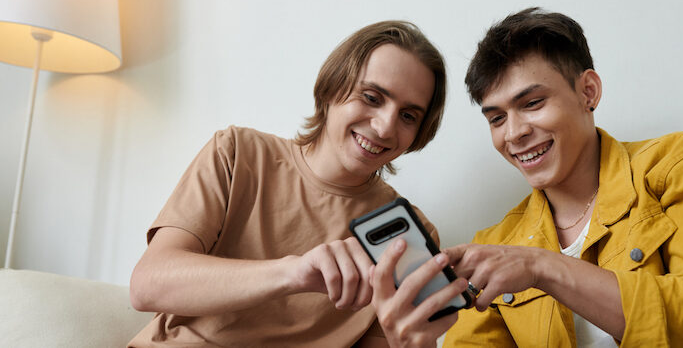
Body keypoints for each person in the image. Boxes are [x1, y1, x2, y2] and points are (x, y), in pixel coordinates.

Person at [442, 7, 683, 347]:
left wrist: (543, 267)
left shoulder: (682, 165)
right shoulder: (498, 244)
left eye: (532, 103)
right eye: (496, 119)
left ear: (588, 92)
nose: (514, 133)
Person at [127, 20, 467, 347]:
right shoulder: (237, 153)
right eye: (372, 97)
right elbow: (147, 286)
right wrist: (294, 273)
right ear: (333, 87)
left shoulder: (411, 235)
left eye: (408, 116)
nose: (385, 128)